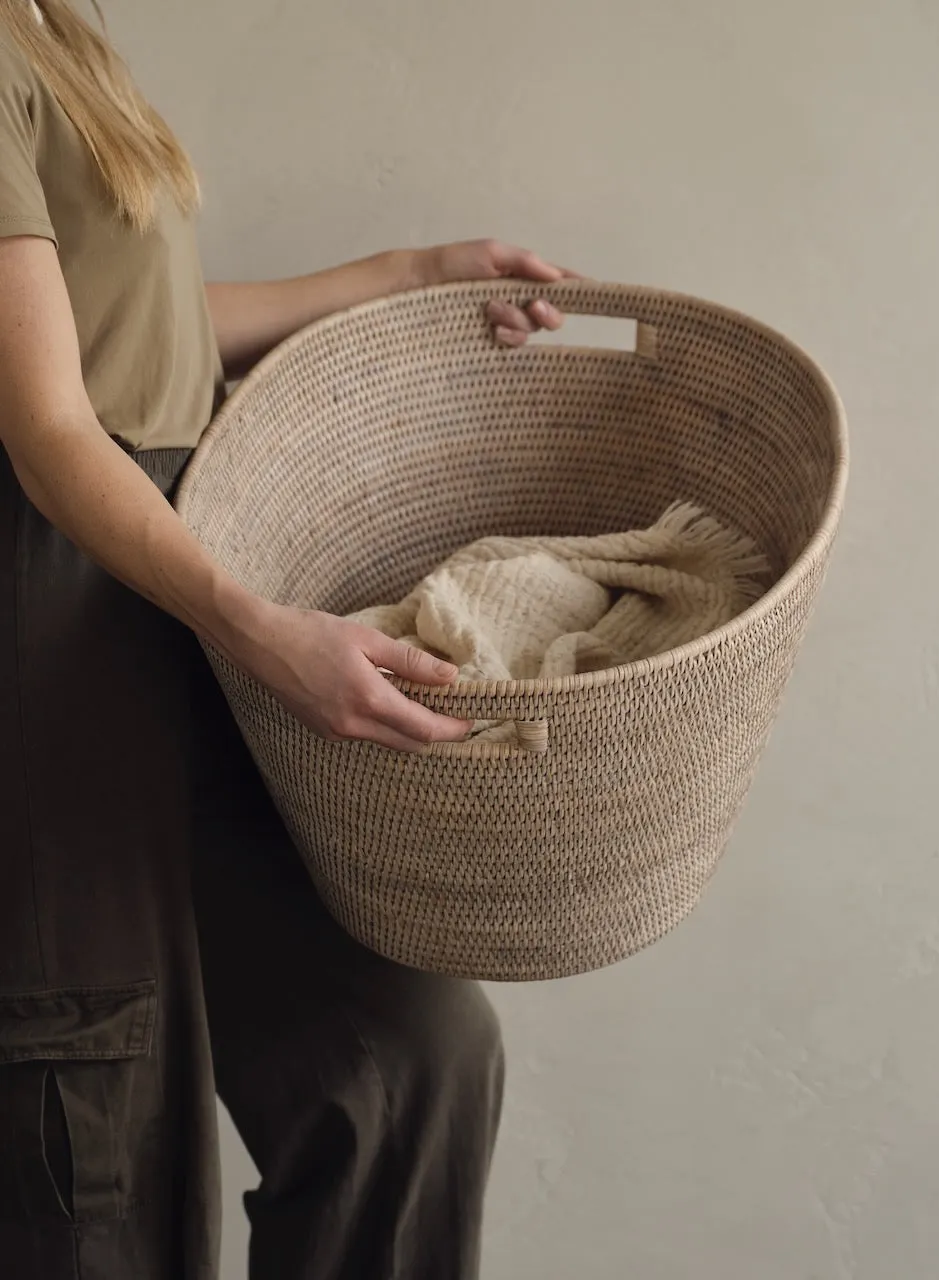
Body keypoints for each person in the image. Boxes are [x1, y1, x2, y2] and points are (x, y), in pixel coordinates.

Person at [0, 2, 573, 1277]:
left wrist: (411, 272)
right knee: (87, 1110)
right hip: (53, 601)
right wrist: (256, 625)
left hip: (157, 577)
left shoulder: (56, 28)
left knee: (406, 1059)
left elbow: (128, 318)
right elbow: (46, 427)